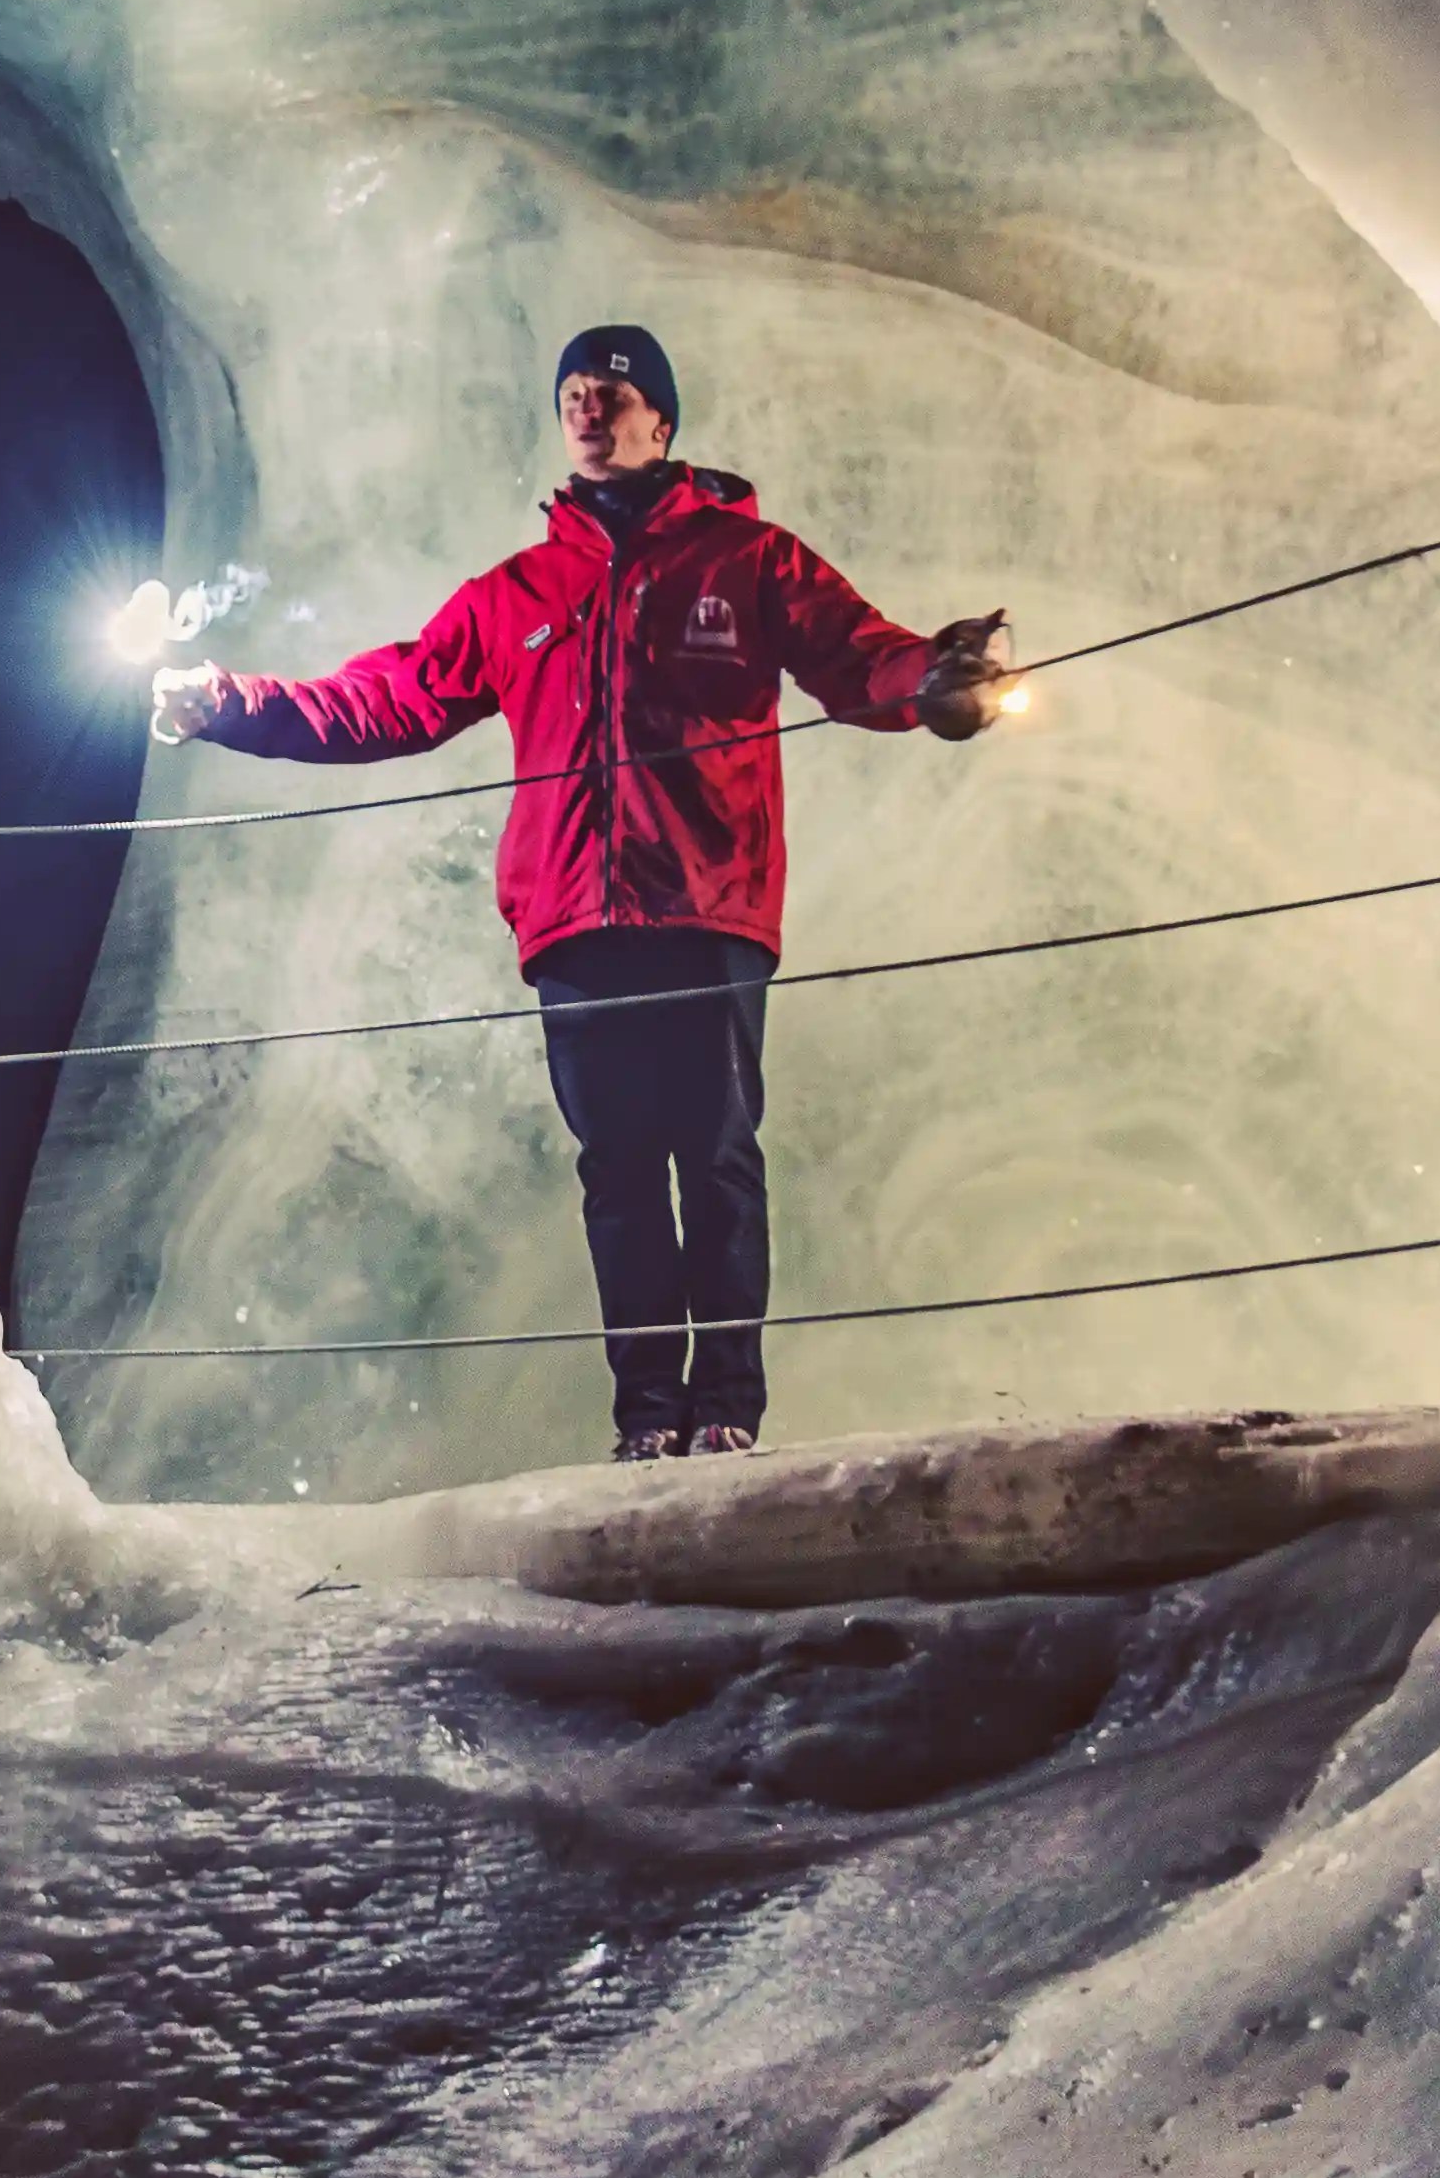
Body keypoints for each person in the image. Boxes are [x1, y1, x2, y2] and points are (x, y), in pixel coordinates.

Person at [148, 323, 1011, 1464]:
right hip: (575, 920)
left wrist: (937, 678)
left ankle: (729, 1407)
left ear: (662, 418)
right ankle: (649, 1415)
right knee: (617, 1169)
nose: (587, 409)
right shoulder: (520, 592)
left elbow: (860, 657)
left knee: (714, 1155)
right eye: (572, 393)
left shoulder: (747, 561)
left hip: (707, 904)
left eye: (609, 391)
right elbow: (390, 699)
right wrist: (232, 703)